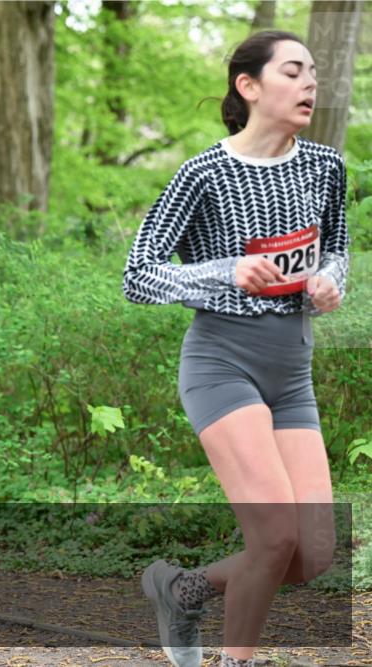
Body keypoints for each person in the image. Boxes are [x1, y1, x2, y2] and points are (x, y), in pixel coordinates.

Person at [122, 31, 350, 667]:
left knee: (311, 556)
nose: (310, 84)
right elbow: (138, 274)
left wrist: (332, 280)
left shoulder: (326, 166)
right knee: (274, 537)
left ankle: (180, 587)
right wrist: (221, 271)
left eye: (313, 73)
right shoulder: (204, 173)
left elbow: (338, 247)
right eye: (294, 71)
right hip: (222, 363)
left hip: (292, 370)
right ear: (249, 86)